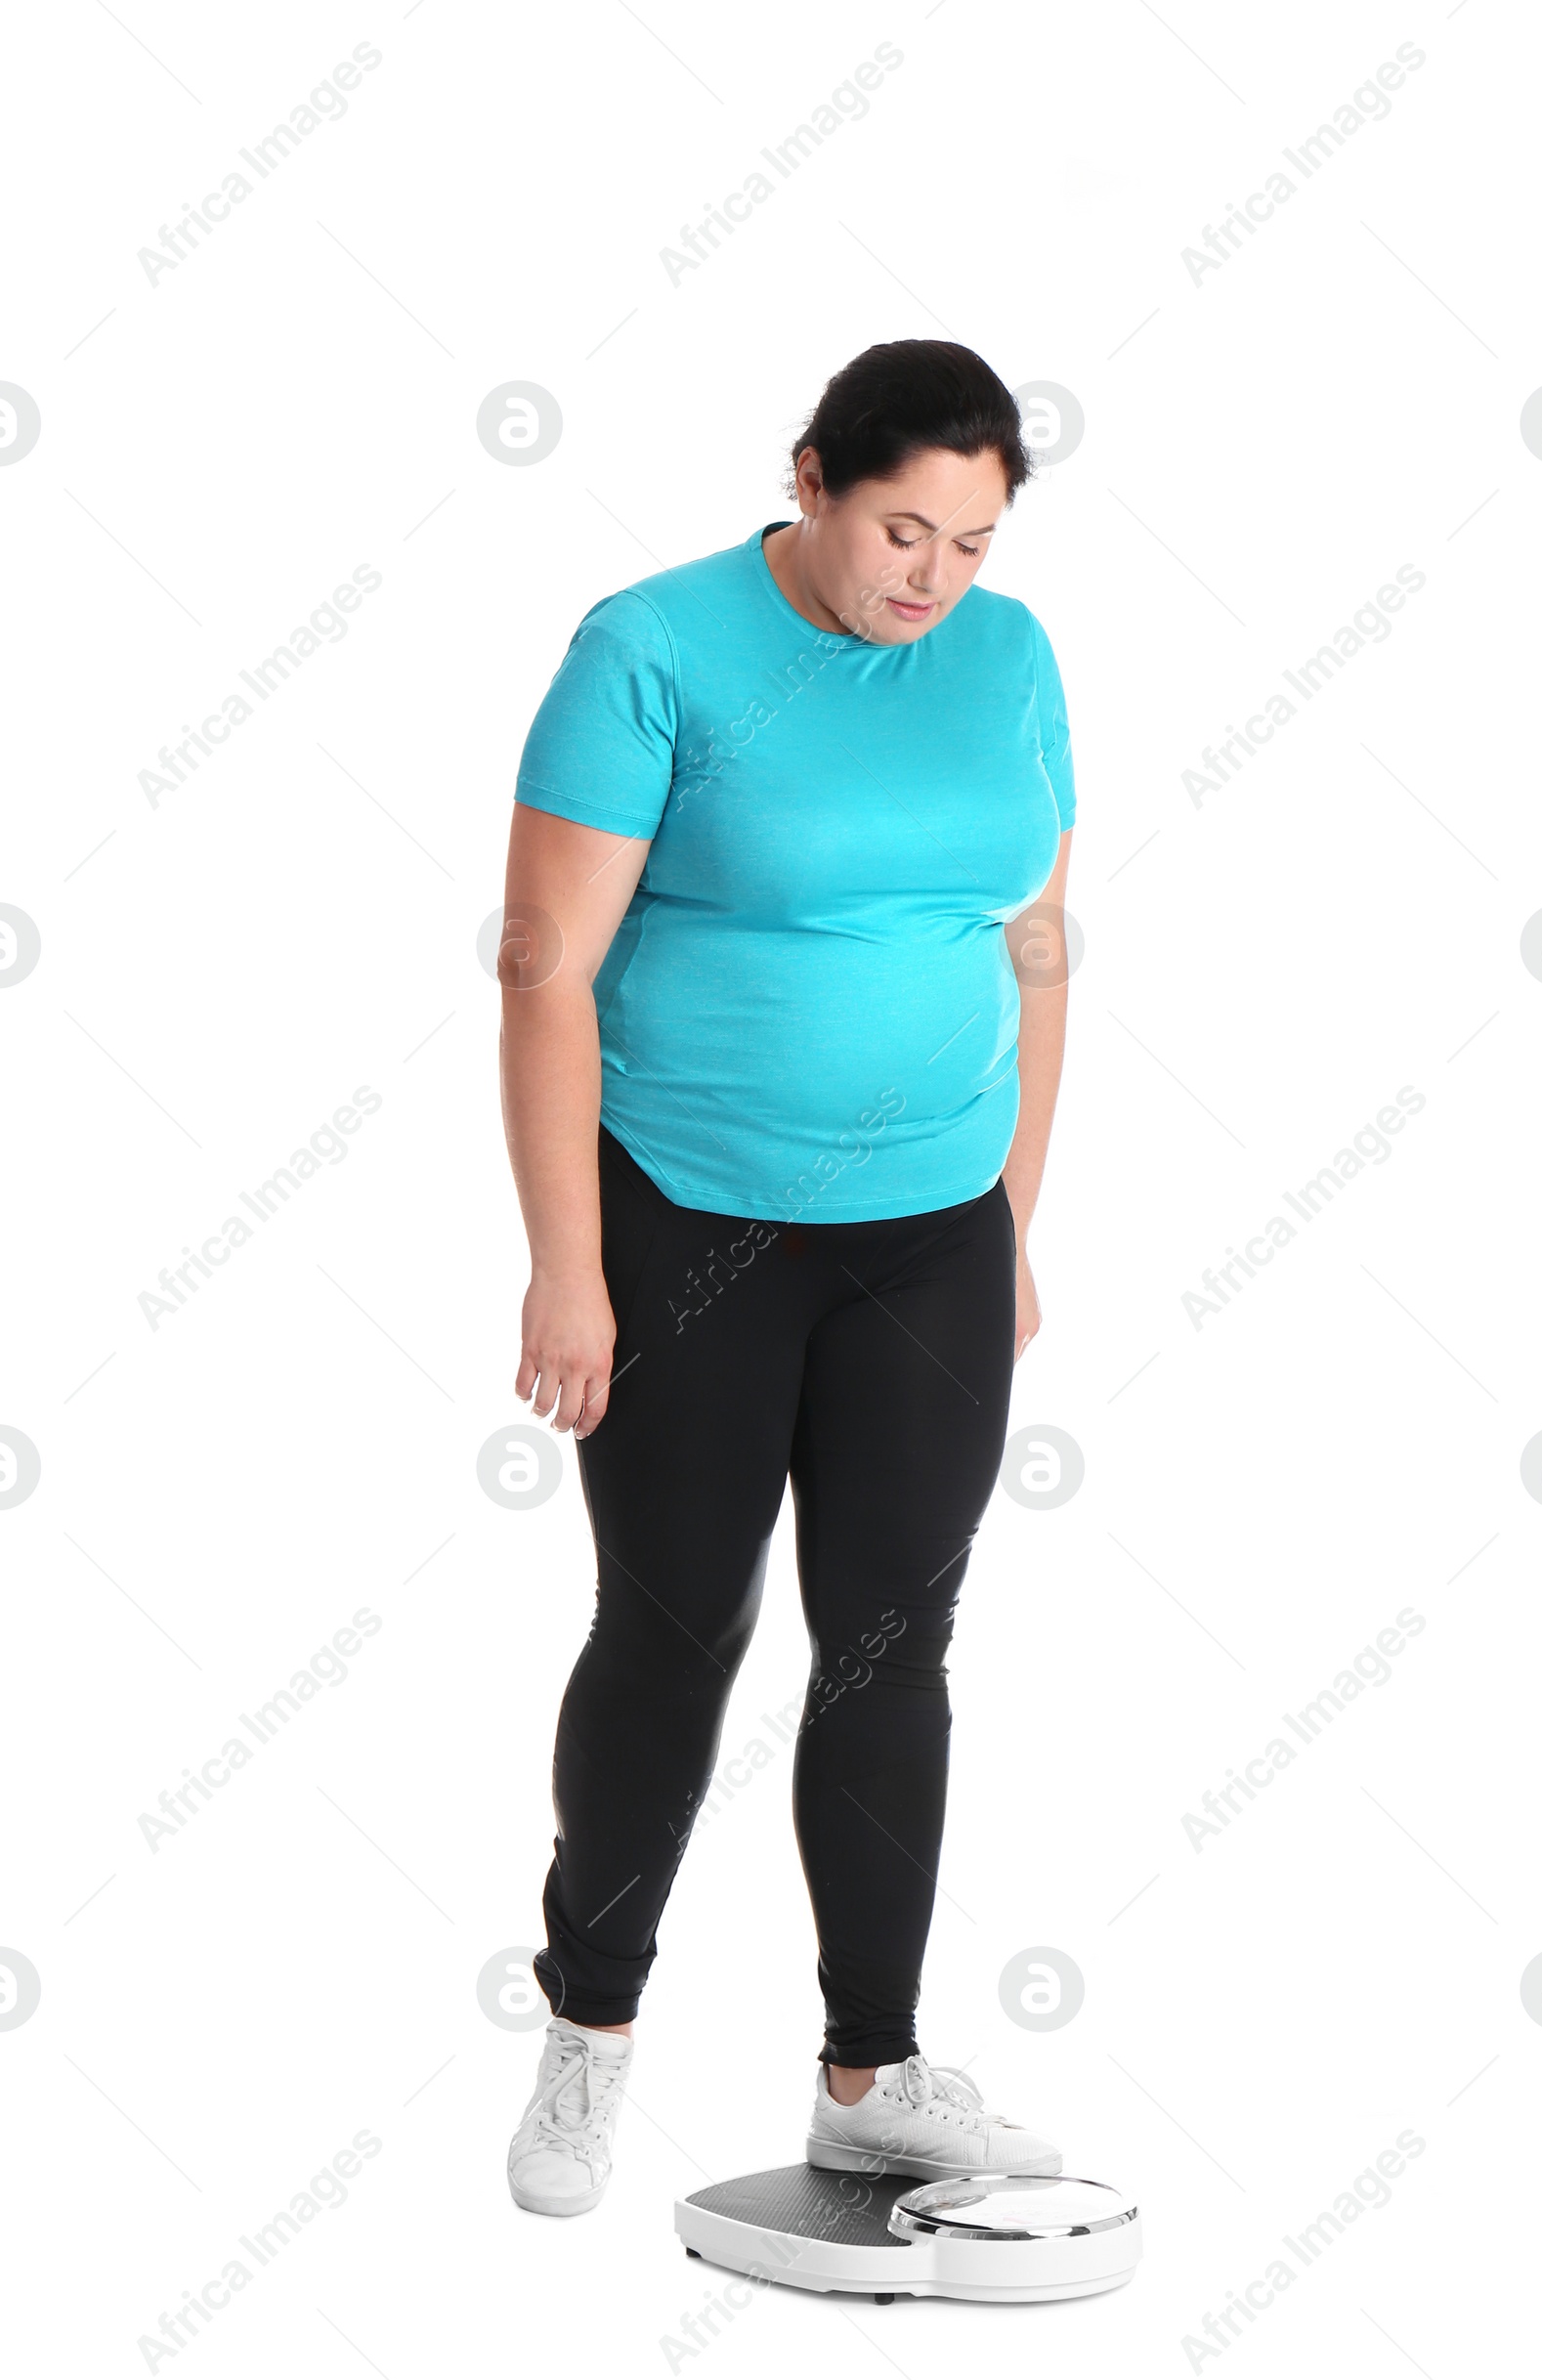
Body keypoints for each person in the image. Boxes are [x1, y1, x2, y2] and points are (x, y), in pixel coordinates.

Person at [497, 339, 1076, 2217]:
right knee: (675, 1636)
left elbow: (1038, 940)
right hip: (690, 1220)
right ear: (811, 475)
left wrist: (1015, 1217)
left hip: (931, 1237)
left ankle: (871, 2076)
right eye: (905, 526)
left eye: (974, 543)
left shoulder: (1009, 658)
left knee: (897, 1651)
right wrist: (565, 1268)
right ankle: (589, 2036)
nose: (935, 577)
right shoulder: (653, 647)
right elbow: (544, 968)